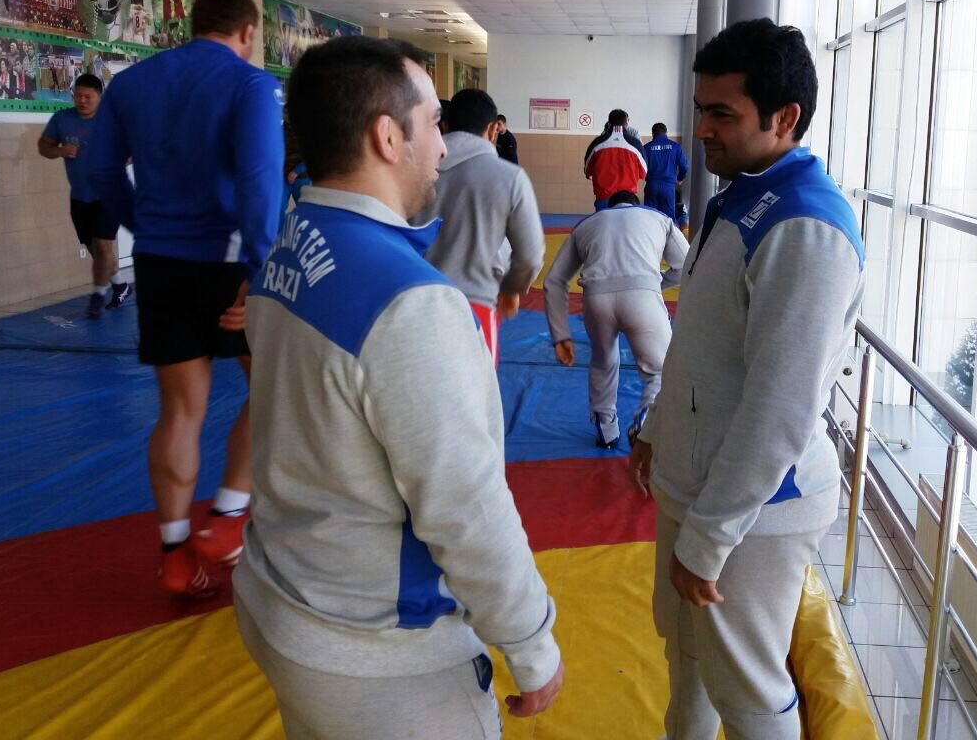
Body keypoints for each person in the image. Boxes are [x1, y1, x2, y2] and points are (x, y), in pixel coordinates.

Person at [235, 36, 562, 739]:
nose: (443, 147)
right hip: (378, 655)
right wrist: (530, 639)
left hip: (286, 603)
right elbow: (464, 502)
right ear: (388, 137)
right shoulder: (409, 303)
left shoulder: (289, 246)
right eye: (434, 123)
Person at [629, 19, 865, 740]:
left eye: (722, 113)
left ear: (784, 117)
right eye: (701, 109)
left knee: (748, 690)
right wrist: (656, 428)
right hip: (697, 485)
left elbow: (780, 409)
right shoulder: (739, 199)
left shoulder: (805, 229)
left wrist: (709, 538)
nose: (702, 129)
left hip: (756, 509)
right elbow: (698, 347)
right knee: (689, 662)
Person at [89, 0, 284, 597]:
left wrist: (145, 224)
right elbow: (259, 180)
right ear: (247, 33)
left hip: (161, 260)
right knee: (273, 391)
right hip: (232, 261)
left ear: (192, 24)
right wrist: (260, 268)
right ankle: (227, 517)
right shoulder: (252, 86)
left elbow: (100, 172)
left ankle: (174, 552)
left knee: (179, 411)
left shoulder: (131, 85)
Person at [545, 190, 688, 450]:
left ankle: (606, 427)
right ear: (636, 205)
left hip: (596, 300)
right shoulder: (659, 218)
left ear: (608, 207)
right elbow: (685, 266)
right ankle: (646, 419)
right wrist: (654, 285)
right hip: (642, 297)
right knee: (660, 370)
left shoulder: (586, 224)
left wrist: (560, 334)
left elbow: (554, 281)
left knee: (603, 362)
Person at [420, 88, 543, 363]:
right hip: (475, 304)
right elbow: (530, 256)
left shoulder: (414, 170)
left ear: (445, 125)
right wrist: (511, 289)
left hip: (412, 302)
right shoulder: (509, 177)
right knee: (475, 388)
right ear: (492, 129)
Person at [37, 73, 132, 318]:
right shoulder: (62, 119)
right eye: (78, 95)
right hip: (80, 197)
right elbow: (43, 146)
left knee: (102, 245)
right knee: (96, 250)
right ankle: (120, 285)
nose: (82, 100)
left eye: (88, 96)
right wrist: (60, 151)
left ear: (100, 97)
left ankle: (98, 296)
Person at [583, 109, 647, 211]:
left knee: (604, 222)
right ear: (626, 122)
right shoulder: (635, 144)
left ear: (609, 122)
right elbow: (643, 173)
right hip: (628, 199)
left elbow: (587, 171)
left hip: (603, 197)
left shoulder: (597, 143)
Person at [643, 122, 690, 221]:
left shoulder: (646, 148)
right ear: (666, 133)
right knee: (669, 219)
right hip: (668, 187)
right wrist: (680, 178)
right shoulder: (675, 147)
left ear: (653, 134)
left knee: (649, 218)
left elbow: (641, 167)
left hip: (651, 186)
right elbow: (684, 166)